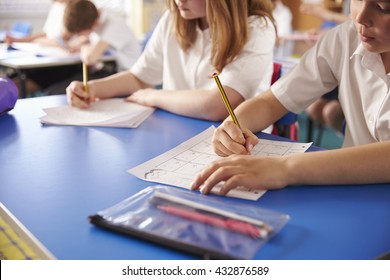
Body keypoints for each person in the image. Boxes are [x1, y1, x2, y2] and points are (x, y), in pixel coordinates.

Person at [191, 0, 390, 195]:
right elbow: (271, 101)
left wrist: (286, 168)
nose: (361, 17)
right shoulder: (344, 39)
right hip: (347, 190)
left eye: (383, 8)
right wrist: (233, 126)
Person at [66, 0, 277, 121]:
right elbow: (140, 78)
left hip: (234, 142)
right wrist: (91, 88)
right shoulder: (173, 20)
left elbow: (218, 105)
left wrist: (154, 96)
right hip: (178, 130)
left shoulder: (257, 27)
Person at [43, 0, 142, 95]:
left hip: (126, 75)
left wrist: (84, 44)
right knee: (54, 87)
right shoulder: (94, 19)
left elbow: (90, 58)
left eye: (79, 33)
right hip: (108, 70)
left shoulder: (113, 24)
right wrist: (83, 41)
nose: (78, 36)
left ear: (95, 24)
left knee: (56, 92)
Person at [300, 0, 351, 133]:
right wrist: (321, 36)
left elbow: (355, 24)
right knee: (314, 107)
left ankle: (354, 141)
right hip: (340, 69)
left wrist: (328, 15)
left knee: (331, 111)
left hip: (349, 70)